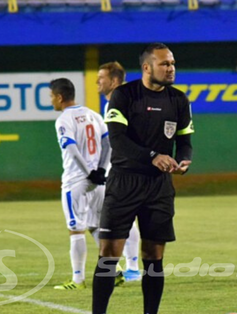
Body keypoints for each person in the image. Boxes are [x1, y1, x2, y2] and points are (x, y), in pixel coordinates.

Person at [92, 43, 193, 314]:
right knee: (109, 253)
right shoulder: (124, 95)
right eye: (164, 64)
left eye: (172, 63)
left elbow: (184, 140)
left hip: (159, 186)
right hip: (124, 182)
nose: (170, 68)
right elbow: (117, 140)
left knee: (154, 255)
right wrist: (152, 156)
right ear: (147, 67)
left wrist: (184, 159)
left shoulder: (179, 100)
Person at [50, 78, 111, 290]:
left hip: (76, 181)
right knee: (96, 227)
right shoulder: (93, 114)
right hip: (98, 183)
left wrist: (89, 173)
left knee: (76, 230)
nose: (52, 101)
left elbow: (72, 149)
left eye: (52, 97)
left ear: (59, 97)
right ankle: (115, 271)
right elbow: (108, 143)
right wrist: (101, 170)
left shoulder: (64, 119)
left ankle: (77, 280)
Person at [97, 61, 142, 283]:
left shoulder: (122, 100)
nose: (98, 82)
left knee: (125, 218)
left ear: (114, 80)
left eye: (101, 78)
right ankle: (130, 267)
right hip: (121, 169)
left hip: (127, 170)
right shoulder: (123, 99)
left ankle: (133, 268)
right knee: (124, 219)